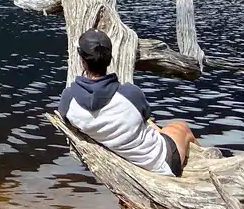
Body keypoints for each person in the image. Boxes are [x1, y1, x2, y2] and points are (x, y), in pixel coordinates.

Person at [56, 28, 196, 177]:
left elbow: (66, 118)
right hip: (162, 162)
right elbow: (145, 116)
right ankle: (206, 164)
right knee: (181, 127)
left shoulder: (69, 100)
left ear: (83, 61)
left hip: (126, 163)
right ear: (109, 59)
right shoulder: (129, 93)